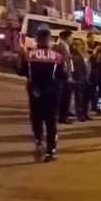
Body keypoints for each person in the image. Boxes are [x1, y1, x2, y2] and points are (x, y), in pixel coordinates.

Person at [17, 28, 68, 162]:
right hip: (52, 94)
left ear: (37, 40)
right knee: (51, 122)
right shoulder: (57, 57)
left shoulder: (29, 55)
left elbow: (21, 72)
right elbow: (64, 75)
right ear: (49, 40)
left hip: (35, 93)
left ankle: (39, 143)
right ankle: (50, 151)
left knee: (37, 120)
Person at [54, 30, 74, 124]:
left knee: (66, 98)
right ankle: (62, 117)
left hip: (66, 77)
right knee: (62, 98)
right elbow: (63, 64)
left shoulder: (65, 48)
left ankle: (64, 116)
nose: (72, 39)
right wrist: (67, 76)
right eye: (71, 37)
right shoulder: (60, 47)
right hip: (62, 78)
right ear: (66, 38)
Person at [70, 38, 91, 121]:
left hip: (86, 78)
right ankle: (80, 114)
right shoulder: (74, 55)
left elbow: (89, 66)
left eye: (84, 45)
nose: (83, 46)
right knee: (79, 98)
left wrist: (88, 75)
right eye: (81, 45)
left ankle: (85, 113)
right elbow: (73, 68)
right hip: (78, 78)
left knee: (86, 98)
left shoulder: (87, 55)